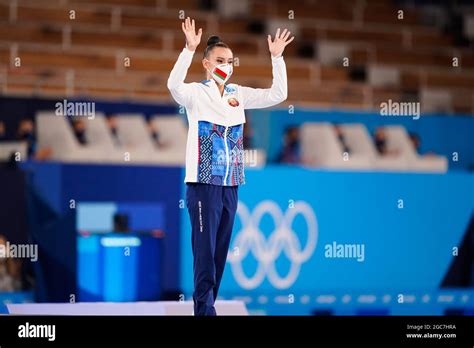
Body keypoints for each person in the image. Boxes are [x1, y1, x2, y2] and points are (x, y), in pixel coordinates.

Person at [167, 17, 293, 315]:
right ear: (207, 64)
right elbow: (173, 85)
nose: (227, 64)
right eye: (220, 60)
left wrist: (278, 58)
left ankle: (208, 306)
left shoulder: (238, 93)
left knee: (220, 254)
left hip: (231, 184)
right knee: (205, 254)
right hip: (203, 182)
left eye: (230, 60)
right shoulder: (196, 94)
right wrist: (188, 48)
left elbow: (279, 95)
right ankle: (204, 312)